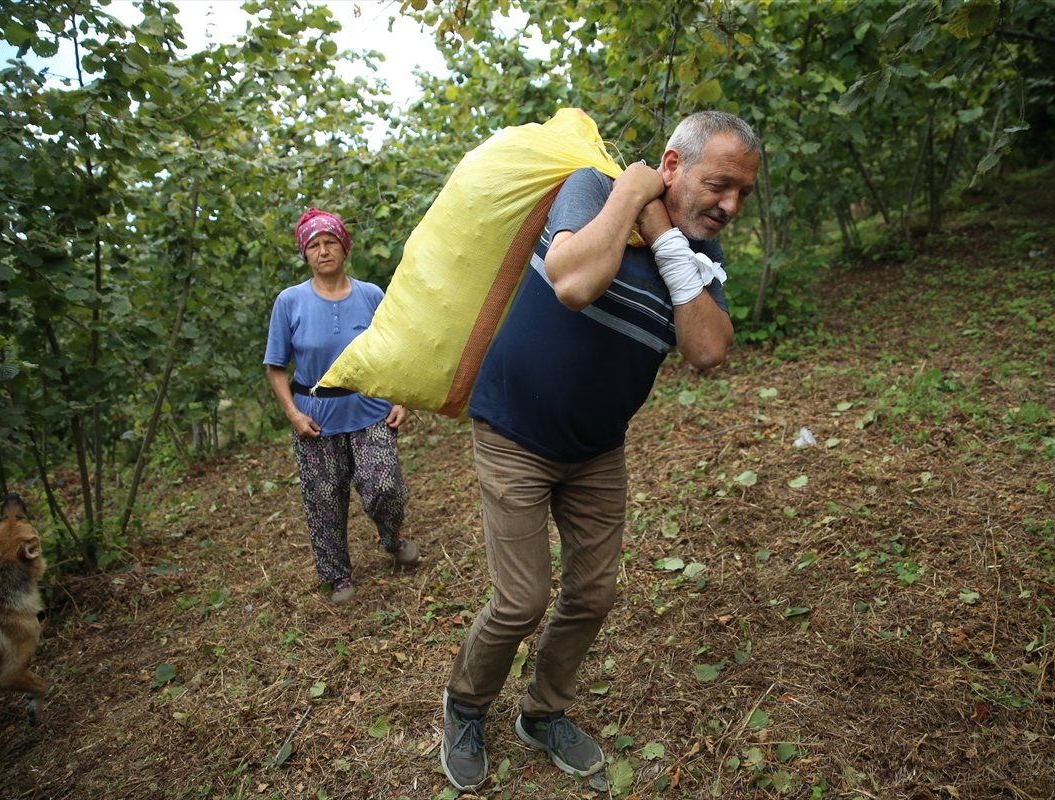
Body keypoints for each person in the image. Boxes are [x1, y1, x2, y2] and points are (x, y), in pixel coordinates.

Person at [440, 111, 760, 790]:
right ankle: (466, 705)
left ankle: (542, 712)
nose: (730, 205)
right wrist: (631, 196)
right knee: (521, 599)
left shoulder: (699, 255)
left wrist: (664, 237)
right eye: (719, 185)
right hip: (514, 432)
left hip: (595, 450)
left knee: (592, 594)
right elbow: (574, 284)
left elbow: (707, 349)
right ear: (671, 165)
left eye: (742, 193)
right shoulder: (592, 188)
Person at [264, 208, 420, 605]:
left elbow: (393, 351)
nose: (323, 251)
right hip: (315, 418)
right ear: (305, 254)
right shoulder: (290, 301)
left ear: (344, 247)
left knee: (384, 487)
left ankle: (392, 537)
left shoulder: (371, 295)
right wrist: (293, 414)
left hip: (370, 410)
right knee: (325, 502)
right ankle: (336, 575)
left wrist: (400, 398)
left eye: (330, 242)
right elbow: (275, 366)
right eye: (314, 246)